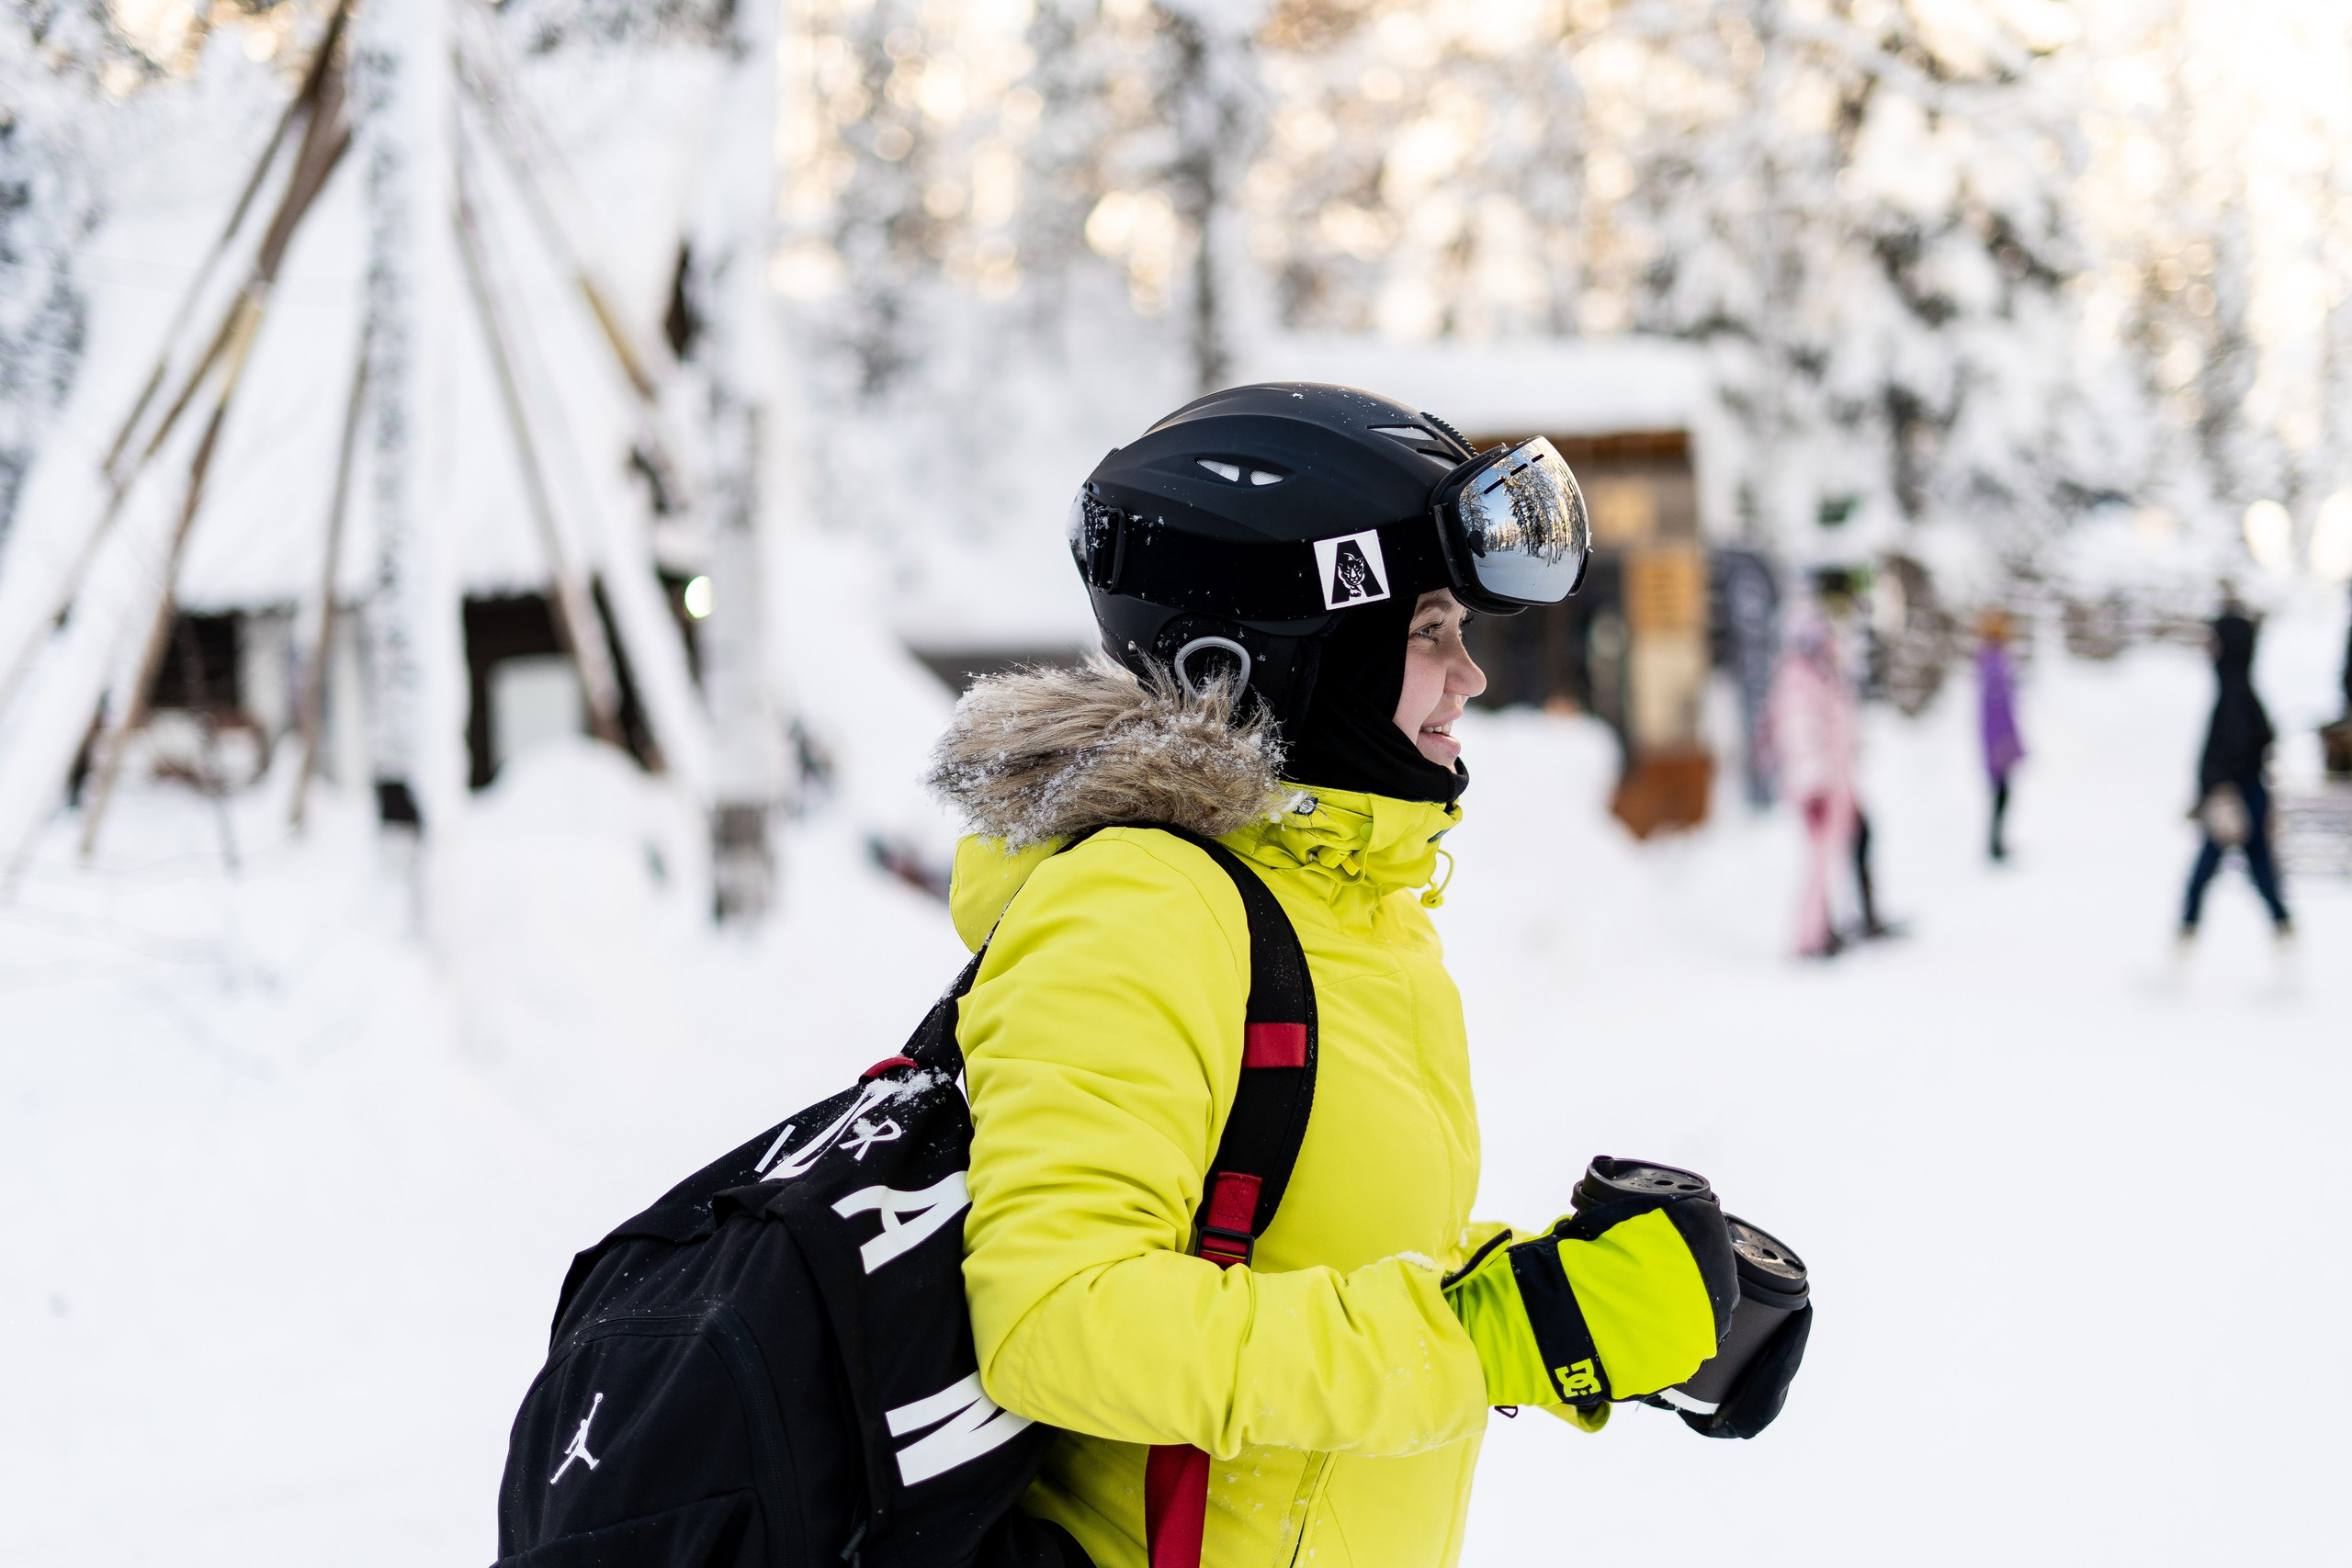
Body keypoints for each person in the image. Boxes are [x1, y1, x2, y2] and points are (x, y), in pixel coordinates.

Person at [923, 385, 1791, 1568]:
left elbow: (1288, 1250)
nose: (1468, 677)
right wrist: (1493, 1339)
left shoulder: (1336, 908)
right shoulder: (1139, 908)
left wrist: (1566, 1301)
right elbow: (1057, 1321)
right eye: (1430, 631)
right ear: (1272, 659)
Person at [2180, 597, 2291, 941]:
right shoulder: (2239, 686)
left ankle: (2182, 948)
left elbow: (2236, 747)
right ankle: (2286, 941)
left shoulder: (2233, 691)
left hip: (2235, 797)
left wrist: (2216, 788)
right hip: (2245, 795)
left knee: (2205, 877)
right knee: (2260, 873)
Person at [1768, 609, 1859, 958]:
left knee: (1825, 861)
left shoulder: (1819, 677)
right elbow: (1799, 736)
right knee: (1817, 864)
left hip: (1830, 784)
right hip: (1816, 789)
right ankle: (1809, 938)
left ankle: (1822, 927)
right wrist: (1813, 787)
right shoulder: (1799, 682)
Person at [1975, 609, 2026, 862]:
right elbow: (1998, 710)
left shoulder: (1993, 661)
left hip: (1998, 741)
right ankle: (1995, 846)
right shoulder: (1993, 663)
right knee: (2001, 795)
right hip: (1998, 742)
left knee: (2002, 795)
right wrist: (2005, 745)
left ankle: (1997, 843)